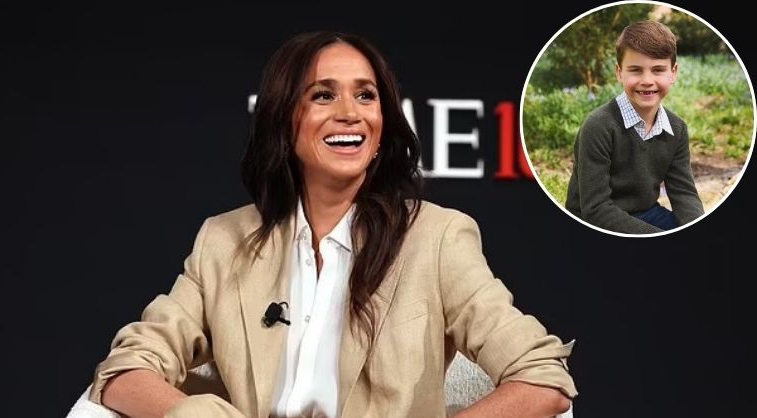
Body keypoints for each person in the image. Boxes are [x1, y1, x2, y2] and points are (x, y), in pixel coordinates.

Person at [89, 31, 576, 418]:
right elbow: (124, 370)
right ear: (284, 120)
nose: (350, 114)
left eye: (366, 96)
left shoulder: (438, 237)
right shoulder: (224, 241)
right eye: (323, 95)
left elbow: (543, 378)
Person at [565, 20, 704, 234]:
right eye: (635, 70)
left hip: (646, 211)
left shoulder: (677, 129)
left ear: (673, 73)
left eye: (658, 70)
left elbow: (684, 194)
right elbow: (595, 208)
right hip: (593, 219)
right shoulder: (598, 126)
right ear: (619, 72)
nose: (647, 80)